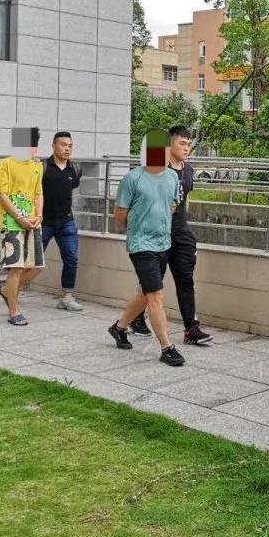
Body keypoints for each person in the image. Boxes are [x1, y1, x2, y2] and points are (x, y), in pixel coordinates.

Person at [106, 129, 187, 367]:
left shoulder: (172, 177)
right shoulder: (133, 178)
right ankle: (166, 348)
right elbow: (120, 215)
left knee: (145, 292)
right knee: (156, 295)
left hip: (164, 242)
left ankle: (119, 328)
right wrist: (134, 232)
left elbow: (172, 204)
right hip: (141, 245)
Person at [129, 126, 214, 346]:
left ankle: (191, 329)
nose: (187, 147)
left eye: (189, 144)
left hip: (181, 234)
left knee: (185, 279)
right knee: (151, 283)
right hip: (157, 235)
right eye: (182, 143)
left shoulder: (188, 170)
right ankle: (136, 318)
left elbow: (186, 201)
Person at [0, 128, 46, 326]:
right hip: (11, 223)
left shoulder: (36, 166)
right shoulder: (5, 164)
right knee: (16, 268)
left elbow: (38, 193)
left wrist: (39, 215)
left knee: (36, 267)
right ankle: (13, 310)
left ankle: (8, 290)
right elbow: (2, 194)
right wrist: (19, 217)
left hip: (33, 222)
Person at [40, 132, 83, 312]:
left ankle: (66, 298)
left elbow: (72, 191)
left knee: (71, 259)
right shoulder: (42, 167)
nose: (67, 148)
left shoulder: (76, 169)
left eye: (70, 146)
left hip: (66, 221)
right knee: (31, 260)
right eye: (63, 145)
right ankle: (14, 292)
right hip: (43, 222)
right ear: (53, 146)